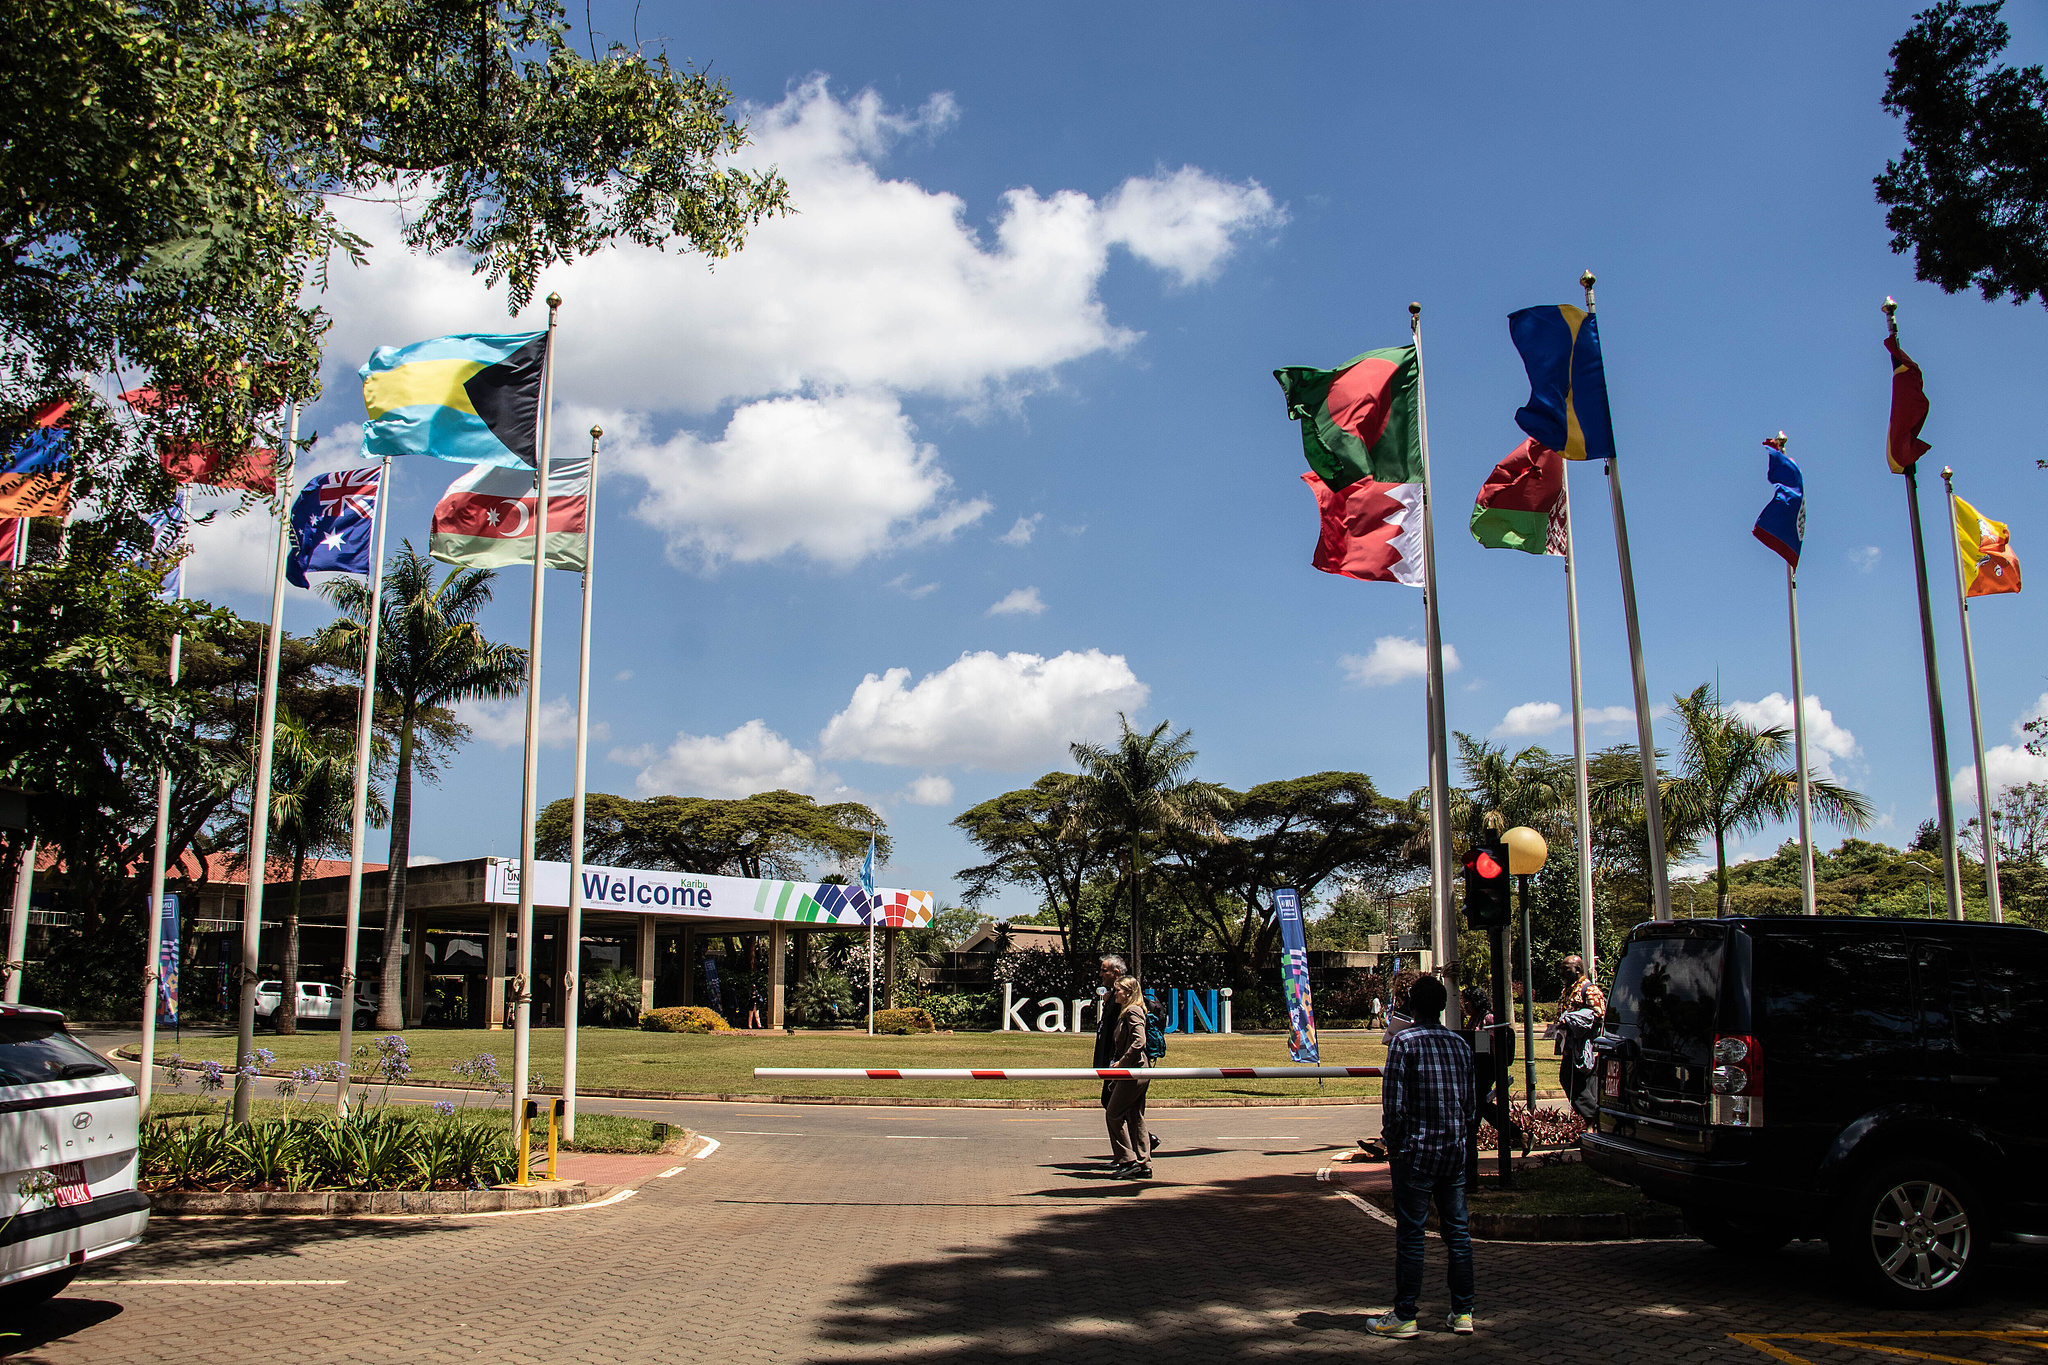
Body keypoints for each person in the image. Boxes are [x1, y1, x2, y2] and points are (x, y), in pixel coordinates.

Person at [1368, 974, 1476, 1339]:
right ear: (1443, 1007)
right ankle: (1463, 1311)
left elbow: (1393, 1106)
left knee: (1411, 1235)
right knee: (1457, 1234)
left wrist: (1393, 1144)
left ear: (1412, 1006)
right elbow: (1470, 1104)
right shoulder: (1459, 1045)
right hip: (1453, 1152)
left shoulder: (1403, 1042)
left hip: (1415, 1152)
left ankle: (1405, 1314)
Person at [1101, 975, 1153, 1179]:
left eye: (1119, 990)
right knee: (1135, 1117)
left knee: (1113, 1114)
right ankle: (1143, 1162)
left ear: (1129, 992)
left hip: (1134, 1071)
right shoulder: (1129, 1011)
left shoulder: (1132, 1011)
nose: (1115, 993)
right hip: (1135, 1071)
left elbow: (1139, 1042)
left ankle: (1127, 1159)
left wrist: (1121, 1063)